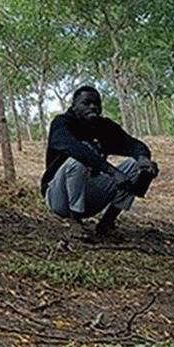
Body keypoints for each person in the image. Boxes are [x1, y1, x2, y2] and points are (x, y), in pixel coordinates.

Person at [42, 86, 158, 242]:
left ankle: (107, 223)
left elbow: (134, 145)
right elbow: (75, 149)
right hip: (59, 197)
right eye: (86, 103)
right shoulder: (62, 123)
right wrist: (111, 171)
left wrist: (144, 160)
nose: (93, 107)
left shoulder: (103, 127)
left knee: (135, 165)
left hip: (89, 196)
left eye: (97, 103)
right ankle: (75, 222)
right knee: (77, 162)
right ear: (74, 105)